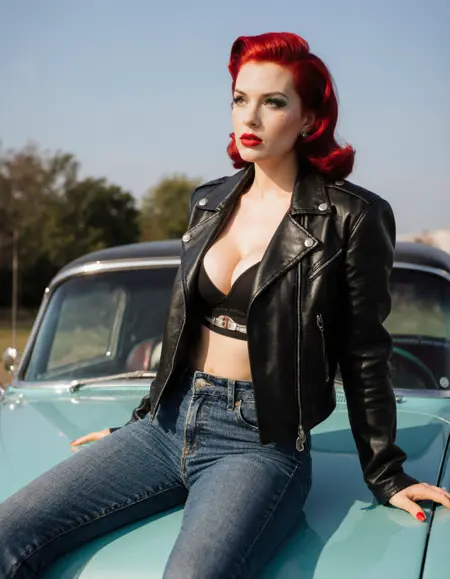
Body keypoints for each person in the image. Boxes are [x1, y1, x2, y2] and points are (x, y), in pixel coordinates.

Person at [1, 31, 449, 579]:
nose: (250, 117)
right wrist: (140, 419)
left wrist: (386, 472)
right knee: (8, 531)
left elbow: (363, 350)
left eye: (273, 102)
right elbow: (181, 324)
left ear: (310, 119)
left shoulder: (352, 216)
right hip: (165, 424)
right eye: (240, 99)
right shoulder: (209, 201)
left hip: (257, 443)